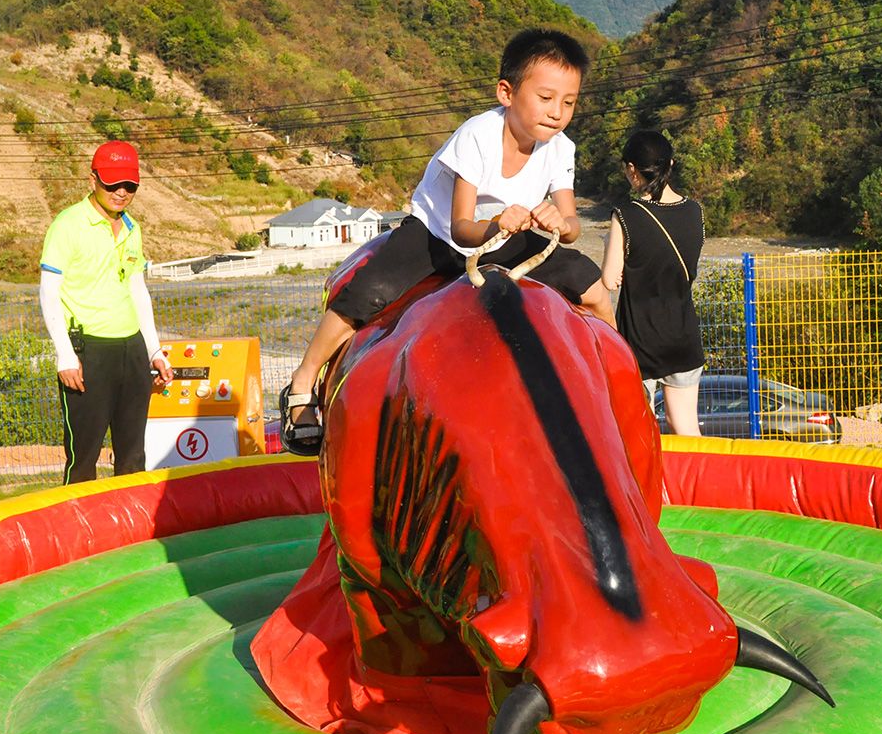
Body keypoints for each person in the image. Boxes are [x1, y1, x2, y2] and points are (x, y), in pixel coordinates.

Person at [280, 28, 615, 453]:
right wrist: (496, 225)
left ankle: (618, 388)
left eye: (569, 102)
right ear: (506, 93)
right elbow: (462, 228)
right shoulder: (477, 135)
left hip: (511, 235)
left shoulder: (560, 148)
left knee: (594, 288)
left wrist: (559, 222)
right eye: (546, 98)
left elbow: (571, 223)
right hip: (439, 234)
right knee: (369, 292)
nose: (557, 112)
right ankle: (303, 383)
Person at [39, 140, 174, 483]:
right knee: (83, 458)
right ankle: (77, 534)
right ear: (93, 180)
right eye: (112, 183)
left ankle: (131, 535)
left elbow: (137, 289)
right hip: (88, 351)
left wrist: (154, 349)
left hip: (130, 349)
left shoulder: (132, 228)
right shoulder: (67, 225)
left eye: (130, 185)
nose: (121, 192)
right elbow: (48, 291)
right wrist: (65, 355)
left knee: (132, 456)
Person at [600, 129, 706, 435]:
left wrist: (611, 242)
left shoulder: (626, 216)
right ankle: (695, 484)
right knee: (686, 429)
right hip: (683, 335)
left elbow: (609, 279)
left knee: (639, 433)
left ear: (632, 170)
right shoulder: (694, 211)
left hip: (640, 343)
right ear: (670, 164)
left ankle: (652, 486)